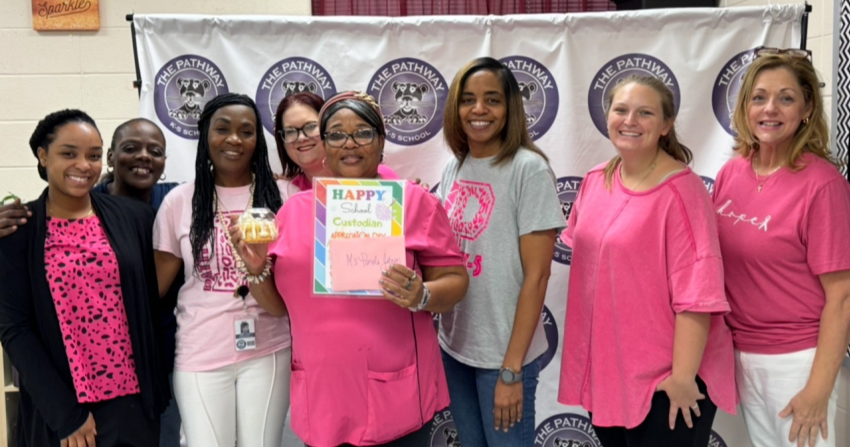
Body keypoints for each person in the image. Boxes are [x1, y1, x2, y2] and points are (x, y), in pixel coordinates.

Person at [229, 90, 469, 447]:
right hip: (323, 396)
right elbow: (280, 307)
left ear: (381, 140)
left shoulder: (413, 202)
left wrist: (423, 294)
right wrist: (257, 269)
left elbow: (456, 282)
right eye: (337, 134)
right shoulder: (293, 214)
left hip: (397, 396)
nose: (350, 143)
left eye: (363, 132)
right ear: (324, 145)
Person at [558, 75, 736, 446]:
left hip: (667, 384)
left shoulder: (682, 194)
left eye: (645, 113)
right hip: (610, 375)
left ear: (666, 124)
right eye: (621, 110)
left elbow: (698, 297)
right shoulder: (595, 181)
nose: (630, 120)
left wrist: (683, 378)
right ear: (607, 115)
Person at [0, 117, 185, 447]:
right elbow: (15, 329)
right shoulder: (19, 230)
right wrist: (65, 414)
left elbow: (159, 293)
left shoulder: (134, 218)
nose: (83, 165)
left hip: (134, 407)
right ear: (43, 156)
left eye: (94, 155)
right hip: (68, 411)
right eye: (69, 154)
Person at [713, 49, 850, 447]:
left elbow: (841, 298)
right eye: (759, 97)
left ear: (806, 108)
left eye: (786, 98)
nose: (770, 109)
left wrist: (817, 390)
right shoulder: (732, 172)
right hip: (738, 356)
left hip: (797, 362)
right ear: (745, 107)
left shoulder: (823, 186)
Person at [435, 57, 565, 447]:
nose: (478, 110)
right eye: (468, 99)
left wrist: (511, 370)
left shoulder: (529, 170)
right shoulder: (454, 167)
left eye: (492, 99)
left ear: (510, 109)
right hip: (456, 346)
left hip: (505, 356)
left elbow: (537, 276)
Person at [154, 93, 291, 447]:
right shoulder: (180, 201)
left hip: (269, 348)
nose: (234, 139)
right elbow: (153, 286)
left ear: (258, 141)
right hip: (201, 350)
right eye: (222, 129)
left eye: (246, 131)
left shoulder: (285, 196)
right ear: (205, 135)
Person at [273, 91, 398, 199]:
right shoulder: (287, 193)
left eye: (311, 126)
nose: (301, 138)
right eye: (290, 131)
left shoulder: (381, 176)